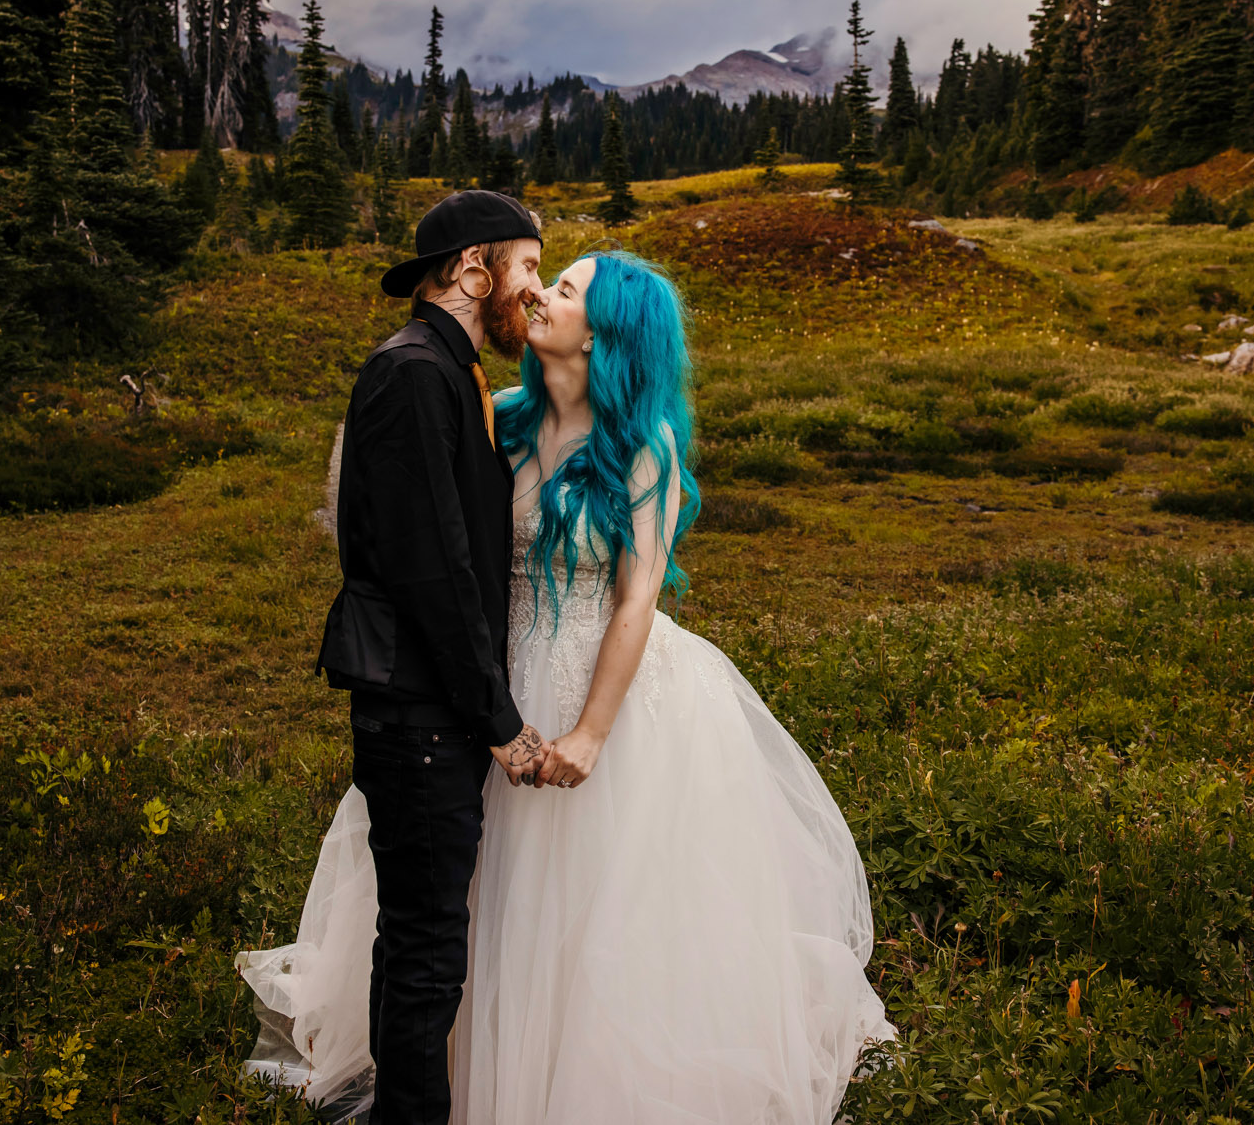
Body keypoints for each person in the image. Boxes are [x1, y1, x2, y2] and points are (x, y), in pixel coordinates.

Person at [239, 247, 894, 1122]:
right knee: (469, 897)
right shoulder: (498, 414)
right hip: (496, 682)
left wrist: (589, 732)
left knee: (597, 908)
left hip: (604, 687)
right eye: (546, 277)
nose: (537, 296)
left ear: (603, 336)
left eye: (565, 289)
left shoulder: (640, 445)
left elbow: (636, 599)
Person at [258, 189, 548, 1124]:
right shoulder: (416, 372)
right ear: (474, 271)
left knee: (418, 937)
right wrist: (497, 721)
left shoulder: (446, 368)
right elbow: (434, 571)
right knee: (426, 947)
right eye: (527, 267)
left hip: (425, 708)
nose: (533, 290)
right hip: (420, 712)